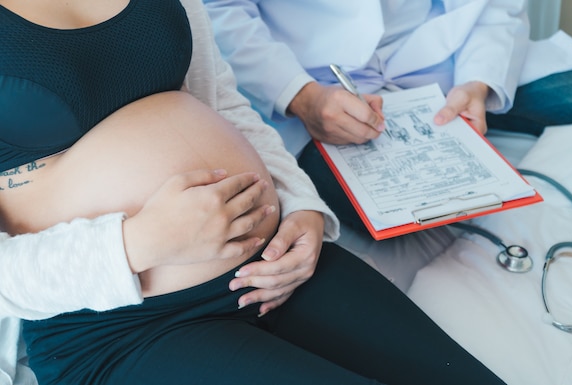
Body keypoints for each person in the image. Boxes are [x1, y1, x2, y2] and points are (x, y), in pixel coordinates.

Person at [0, 0, 506, 384]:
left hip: (272, 269)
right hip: (120, 326)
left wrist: (302, 203)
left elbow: (223, 105)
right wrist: (139, 243)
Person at [204, 0, 572, 235]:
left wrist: (479, 84)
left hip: (437, 57)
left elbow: (495, 4)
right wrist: (301, 97)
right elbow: (219, 11)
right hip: (319, 77)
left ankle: (469, 114)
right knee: (384, 213)